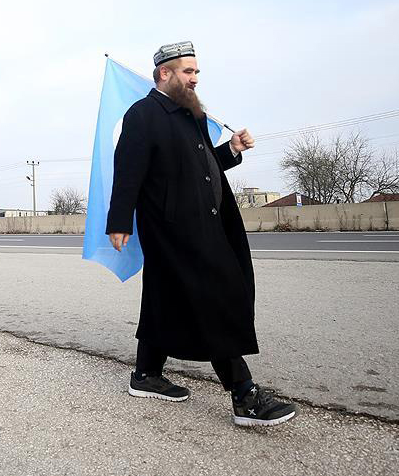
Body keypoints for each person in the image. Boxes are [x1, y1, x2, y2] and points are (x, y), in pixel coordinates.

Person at [105, 41, 296, 427]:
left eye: (196, 72)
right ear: (165, 73)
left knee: (166, 294)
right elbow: (127, 171)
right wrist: (119, 220)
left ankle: (145, 374)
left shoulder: (191, 115)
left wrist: (232, 150)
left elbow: (204, 166)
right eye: (188, 71)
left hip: (206, 220)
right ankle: (243, 393)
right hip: (173, 225)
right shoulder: (143, 115)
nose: (194, 79)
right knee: (212, 297)